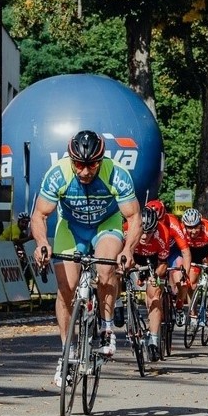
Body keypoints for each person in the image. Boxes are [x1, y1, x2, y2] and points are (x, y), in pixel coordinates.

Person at [31, 130, 142, 387]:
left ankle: (105, 327)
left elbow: (134, 217)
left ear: (101, 160)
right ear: (71, 160)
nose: (84, 171)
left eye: (91, 164)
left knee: (106, 270)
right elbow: (39, 215)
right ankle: (67, 352)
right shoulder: (58, 174)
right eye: (79, 164)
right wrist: (42, 243)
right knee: (66, 289)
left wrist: (128, 251)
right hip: (71, 228)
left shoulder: (116, 174)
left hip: (106, 225)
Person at [130, 207, 170, 361]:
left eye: (149, 232)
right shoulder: (128, 228)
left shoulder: (163, 234)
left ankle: (153, 340)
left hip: (153, 261)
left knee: (154, 296)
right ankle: (119, 306)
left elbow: (163, 264)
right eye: (143, 231)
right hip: (134, 255)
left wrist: (155, 276)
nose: (145, 236)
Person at [146, 199, 192, 326]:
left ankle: (179, 306)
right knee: (153, 285)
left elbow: (186, 251)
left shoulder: (173, 224)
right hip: (155, 253)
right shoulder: (145, 222)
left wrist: (185, 274)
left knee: (180, 280)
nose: (157, 225)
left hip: (172, 252)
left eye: (160, 221)